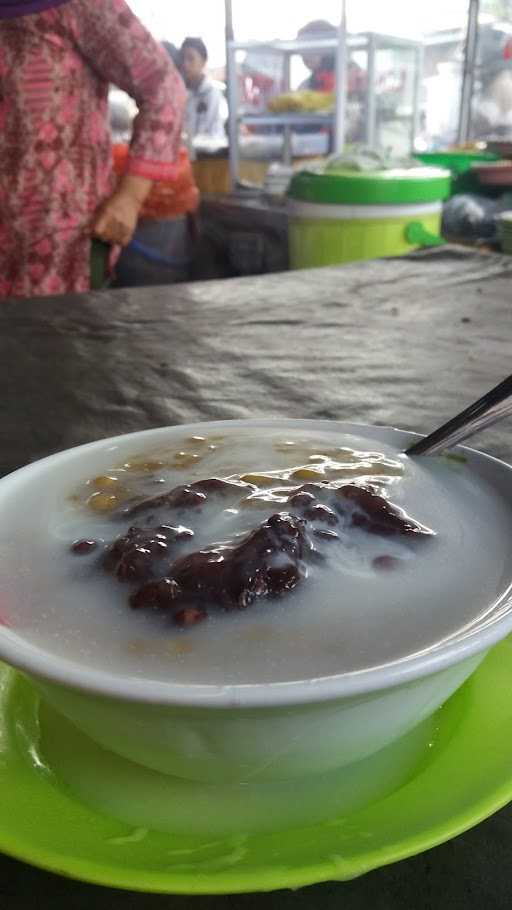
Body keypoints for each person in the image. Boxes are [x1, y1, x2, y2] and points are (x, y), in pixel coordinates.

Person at [0, 0, 186, 299]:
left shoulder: (82, 5)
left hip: (60, 247)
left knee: (56, 340)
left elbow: (164, 88)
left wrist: (130, 197)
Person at [180, 36, 227, 142]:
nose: (185, 64)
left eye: (191, 59)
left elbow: (207, 132)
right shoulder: (182, 93)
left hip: (210, 155)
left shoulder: (213, 93)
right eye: (183, 58)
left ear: (203, 61)